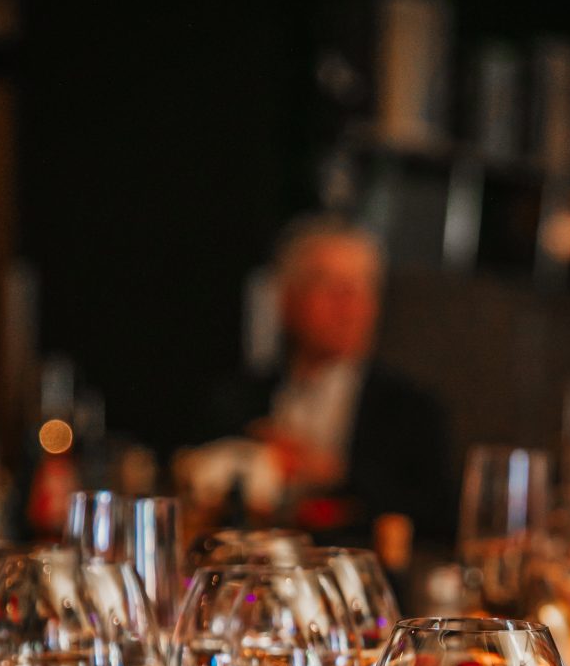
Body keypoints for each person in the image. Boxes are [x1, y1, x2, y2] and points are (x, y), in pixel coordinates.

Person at [187, 216, 455, 546]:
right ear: (287, 300)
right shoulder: (236, 399)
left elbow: (437, 517)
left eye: (361, 288)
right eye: (329, 287)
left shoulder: (412, 408)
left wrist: (332, 474)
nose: (349, 306)